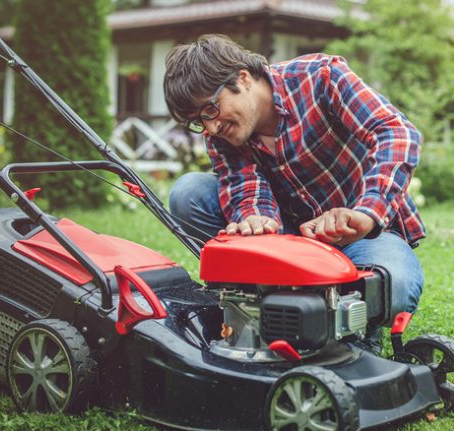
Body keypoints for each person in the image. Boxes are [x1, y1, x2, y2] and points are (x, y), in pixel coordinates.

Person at [163, 34, 425, 354]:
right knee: (188, 192)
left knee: (394, 286)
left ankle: (351, 318)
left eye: (210, 110)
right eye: (197, 122)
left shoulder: (321, 78)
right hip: (289, 241)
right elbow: (244, 184)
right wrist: (254, 219)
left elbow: (395, 132)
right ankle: (262, 297)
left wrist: (367, 212)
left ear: (242, 78)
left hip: (365, 236)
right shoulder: (223, 133)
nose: (211, 128)